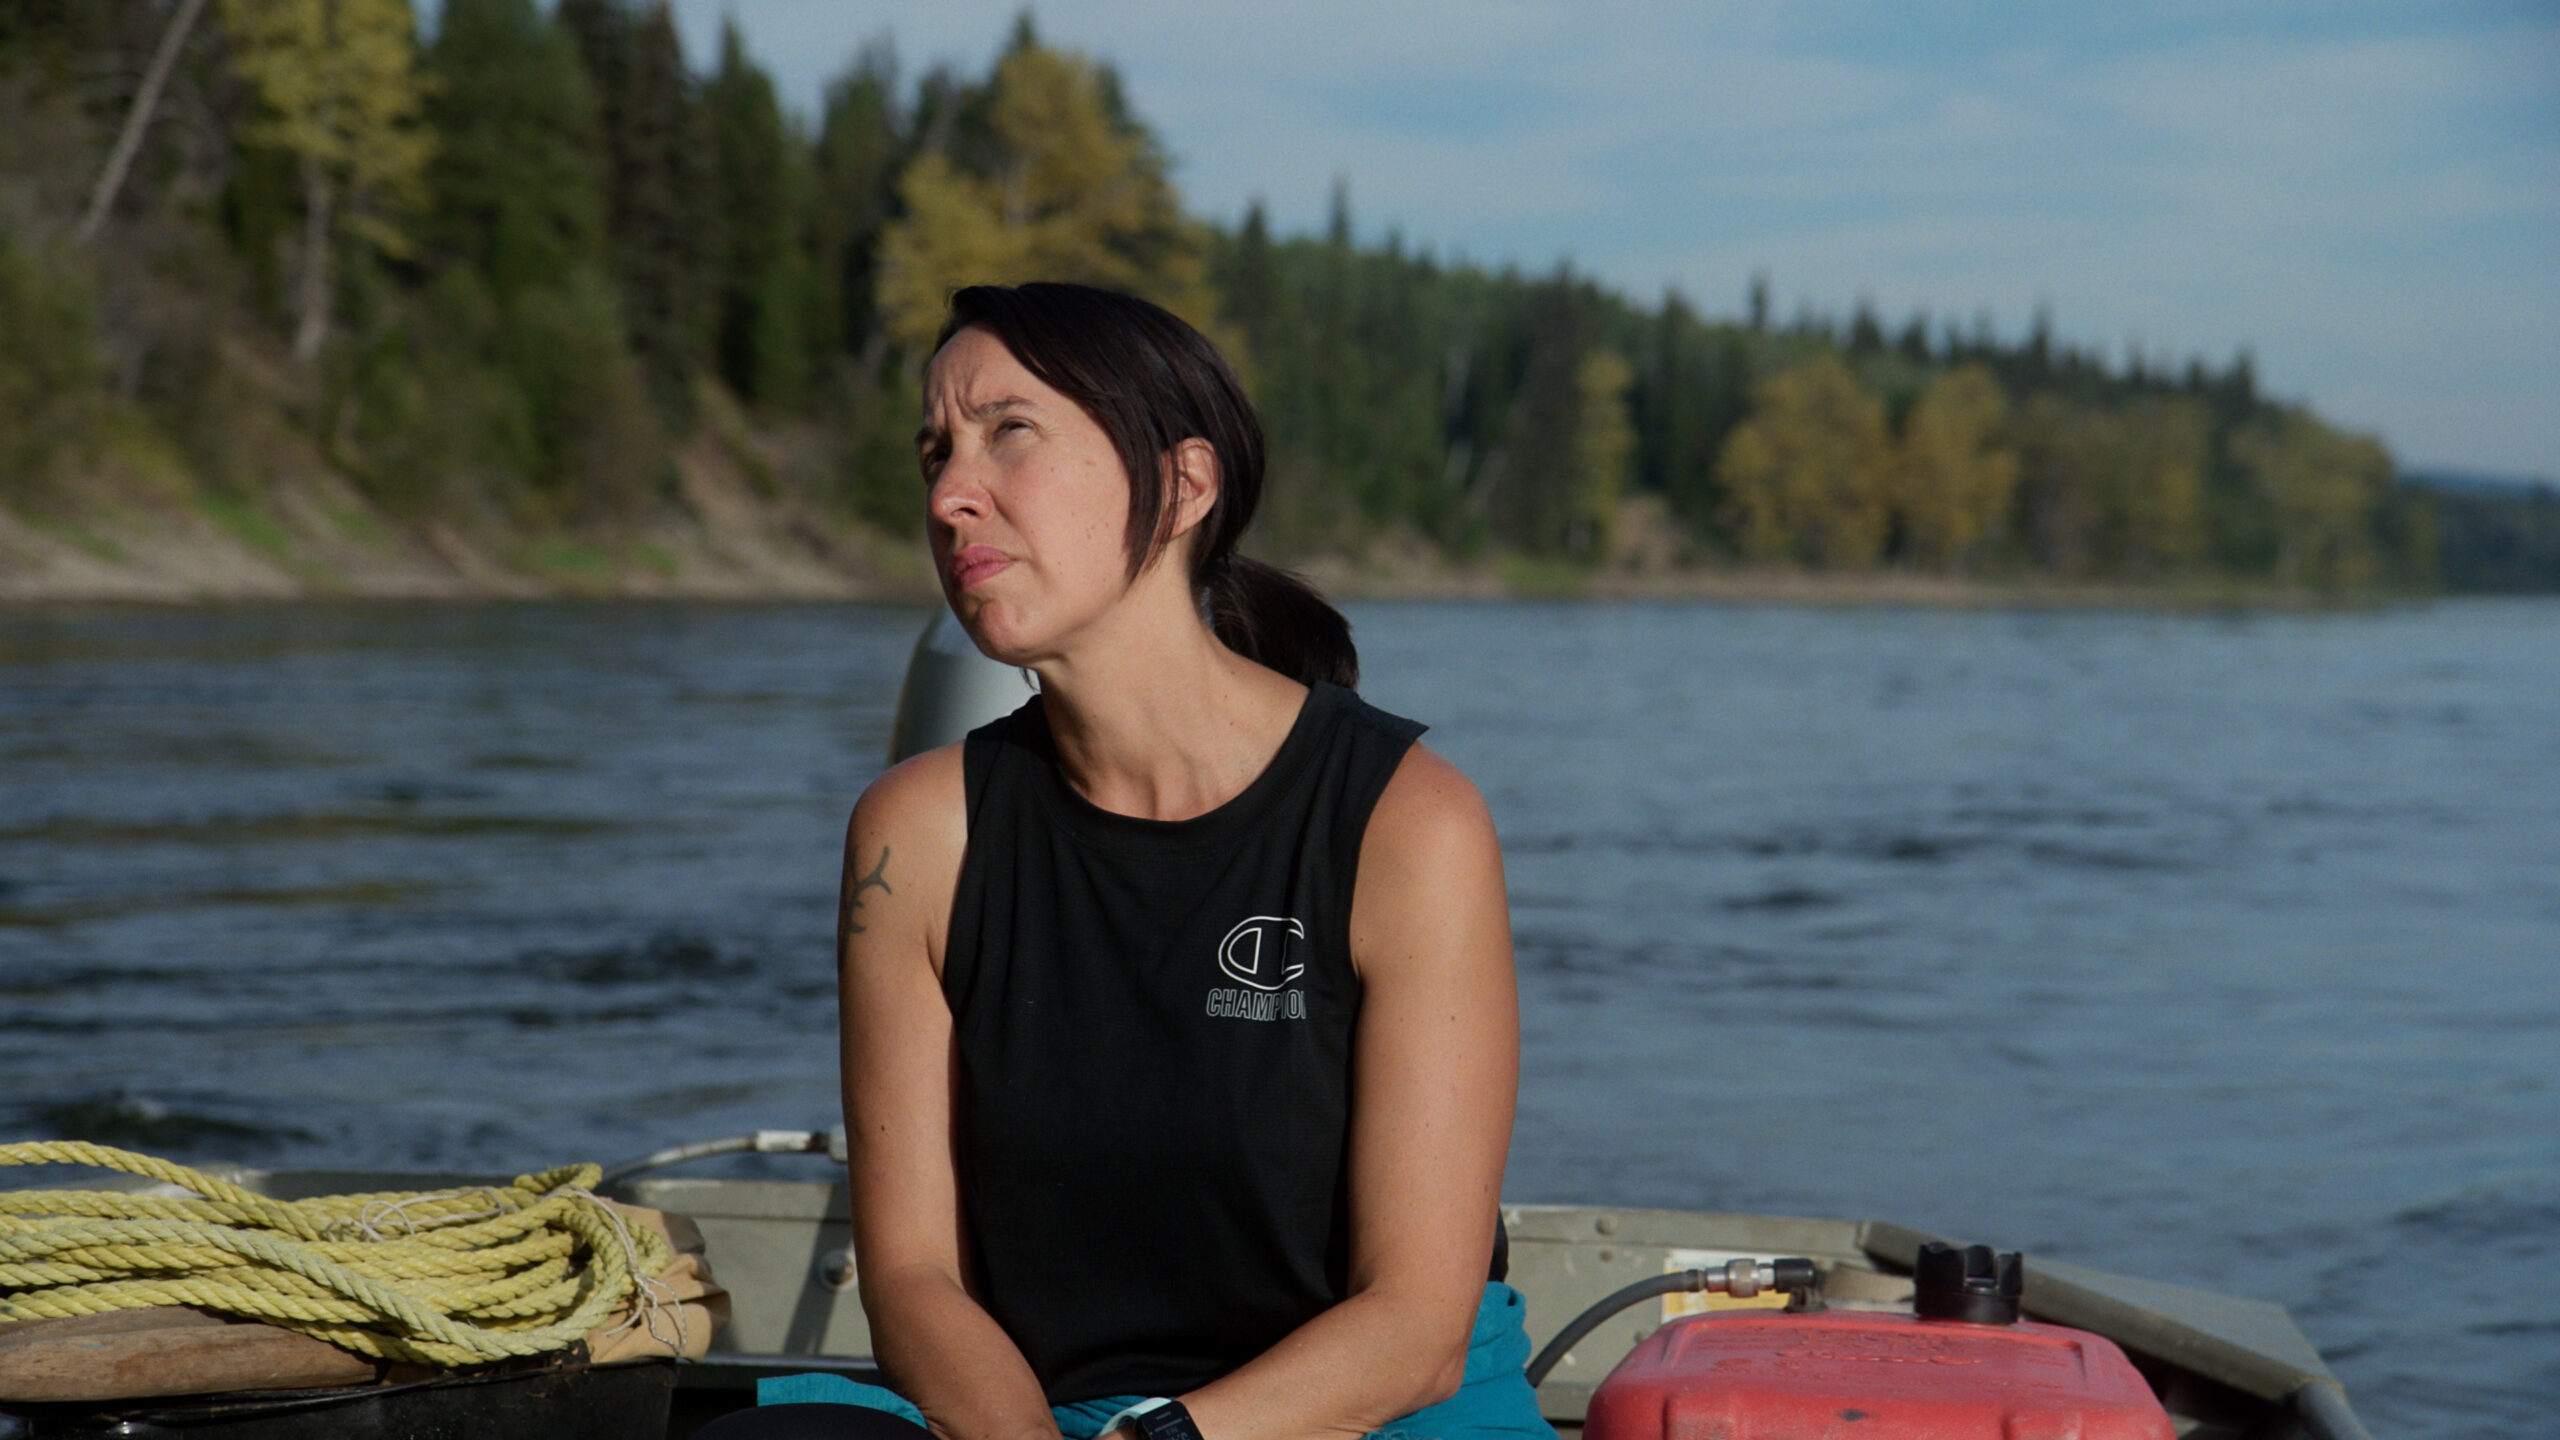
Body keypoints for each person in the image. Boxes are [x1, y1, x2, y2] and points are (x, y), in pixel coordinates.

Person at [701, 283, 1536, 1440]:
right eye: (936, 450)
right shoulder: (915, 834)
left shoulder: (1404, 823)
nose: (950, 496)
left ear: (1185, 485)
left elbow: (1417, 1324)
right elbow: (915, 1281)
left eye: (1011, 433)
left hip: (1364, 1416)